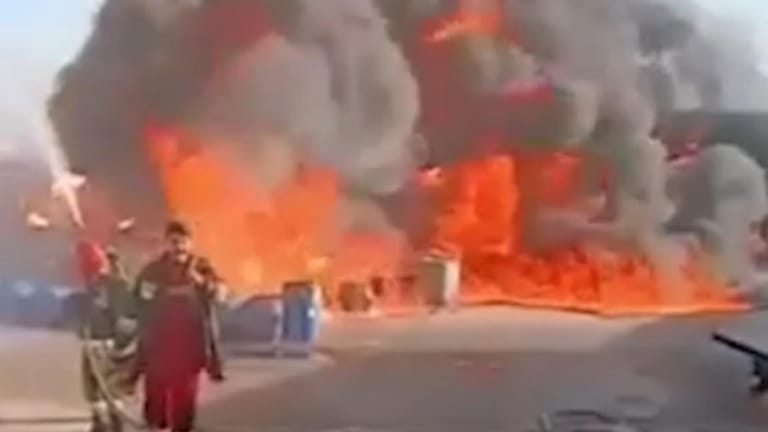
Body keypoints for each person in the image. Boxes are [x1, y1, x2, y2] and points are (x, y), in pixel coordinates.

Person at [133, 220, 224, 432]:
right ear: (166, 243)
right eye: (174, 242)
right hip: (159, 346)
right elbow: (139, 298)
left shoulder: (202, 267)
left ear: (190, 243)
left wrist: (201, 282)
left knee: (185, 400)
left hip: (190, 347)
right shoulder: (153, 270)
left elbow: (220, 293)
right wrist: (153, 293)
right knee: (156, 401)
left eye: (183, 242)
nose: (179, 247)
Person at [75, 240, 136, 432]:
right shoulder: (99, 284)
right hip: (94, 342)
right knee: (95, 387)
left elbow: (121, 312)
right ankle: (102, 421)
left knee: (106, 387)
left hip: (104, 343)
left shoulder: (112, 286)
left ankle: (111, 423)